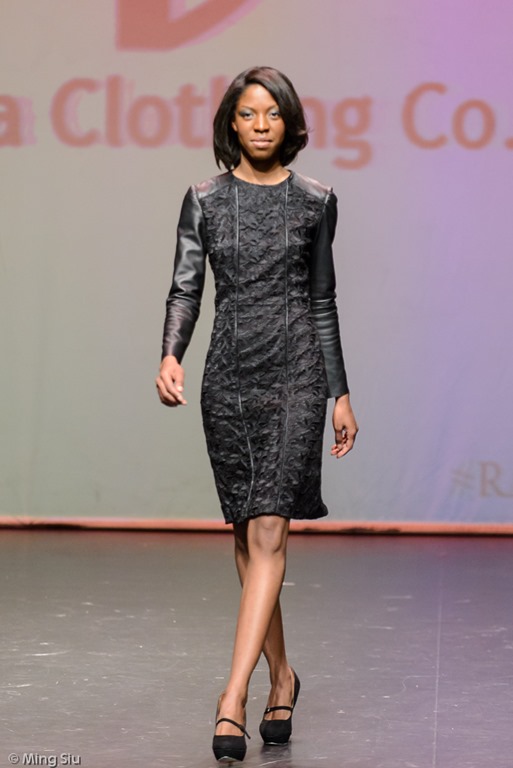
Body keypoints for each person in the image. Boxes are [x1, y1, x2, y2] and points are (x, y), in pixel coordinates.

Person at [156, 66, 358, 763]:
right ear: (231, 124)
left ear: (289, 122)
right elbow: (185, 287)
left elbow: (323, 300)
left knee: (270, 528)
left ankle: (231, 697)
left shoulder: (317, 201)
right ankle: (284, 677)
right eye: (248, 113)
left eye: (272, 112)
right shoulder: (205, 200)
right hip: (231, 377)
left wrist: (338, 393)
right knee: (248, 537)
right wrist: (170, 354)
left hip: (297, 372)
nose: (261, 124)